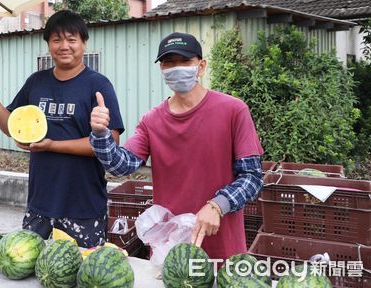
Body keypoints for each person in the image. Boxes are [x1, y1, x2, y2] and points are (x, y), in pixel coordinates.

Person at [89, 32, 264, 261]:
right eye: (169, 62)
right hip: (169, 248)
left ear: (201, 67)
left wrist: (218, 205)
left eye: (184, 61)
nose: (176, 68)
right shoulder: (151, 121)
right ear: (162, 69)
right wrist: (100, 134)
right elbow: (121, 166)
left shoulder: (233, 111)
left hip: (222, 244)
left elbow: (252, 176)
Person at [0, 10, 124, 247]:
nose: (64, 46)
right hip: (40, 203)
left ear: (84, 44)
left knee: (83, 276)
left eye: (72, 39)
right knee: (34, 274)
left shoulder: (98, 84)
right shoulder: (36, 82)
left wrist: (52, 145)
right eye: (56, 39)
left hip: (83, 205)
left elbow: (111, 143)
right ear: (48, 45)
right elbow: (13, 126)